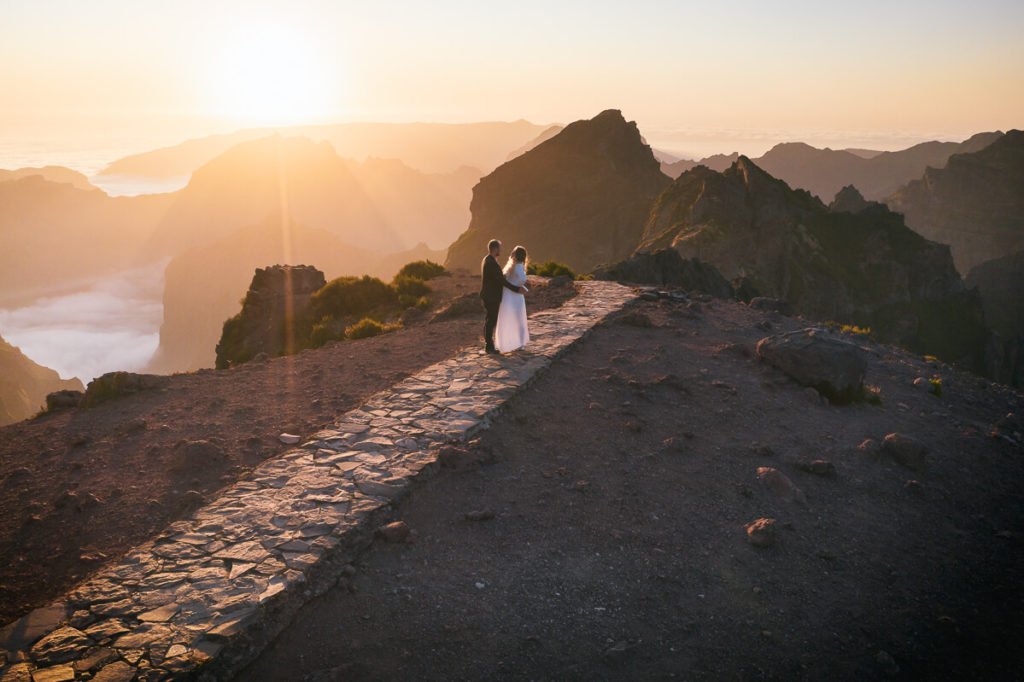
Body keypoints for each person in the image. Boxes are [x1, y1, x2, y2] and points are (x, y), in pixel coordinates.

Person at [480, 239, 524, 354]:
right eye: (499, 248)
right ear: (495, 249)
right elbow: (501, 281)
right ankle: (489, 346)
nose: (501, 250)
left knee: (489, 320)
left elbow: (499, 278)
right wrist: (515, 289)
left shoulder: (488, 259)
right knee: (491, 320)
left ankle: (488, 344)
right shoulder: (491, 263)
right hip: (491, 296)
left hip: (489, 295)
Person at [495, 245, 530, 353]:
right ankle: (519, 343)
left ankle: (506, 343)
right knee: (519, 319)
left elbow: (508, 280)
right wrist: (522, 286)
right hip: (516, 296)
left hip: (507, 295)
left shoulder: (511, 266)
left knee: (507, 318)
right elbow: (522, 279)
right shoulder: (519, 267)